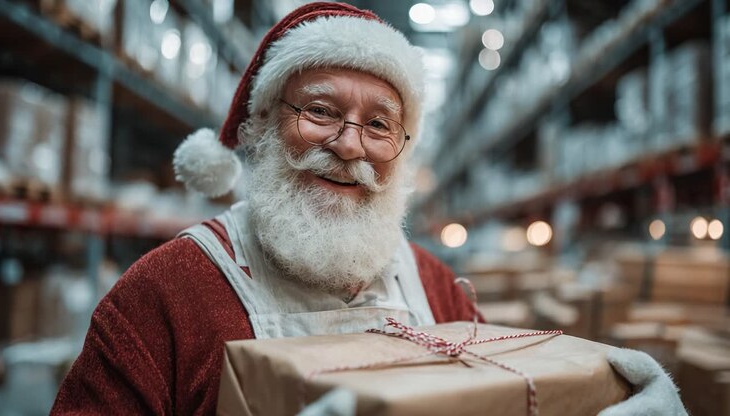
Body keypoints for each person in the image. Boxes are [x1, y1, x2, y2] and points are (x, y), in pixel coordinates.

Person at [51, 2, 686, 415]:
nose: (349, 146)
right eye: (320, 111)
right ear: (266, 125)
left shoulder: (438, 289)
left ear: (401, 151)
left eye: (379, 126)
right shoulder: (164, 293)